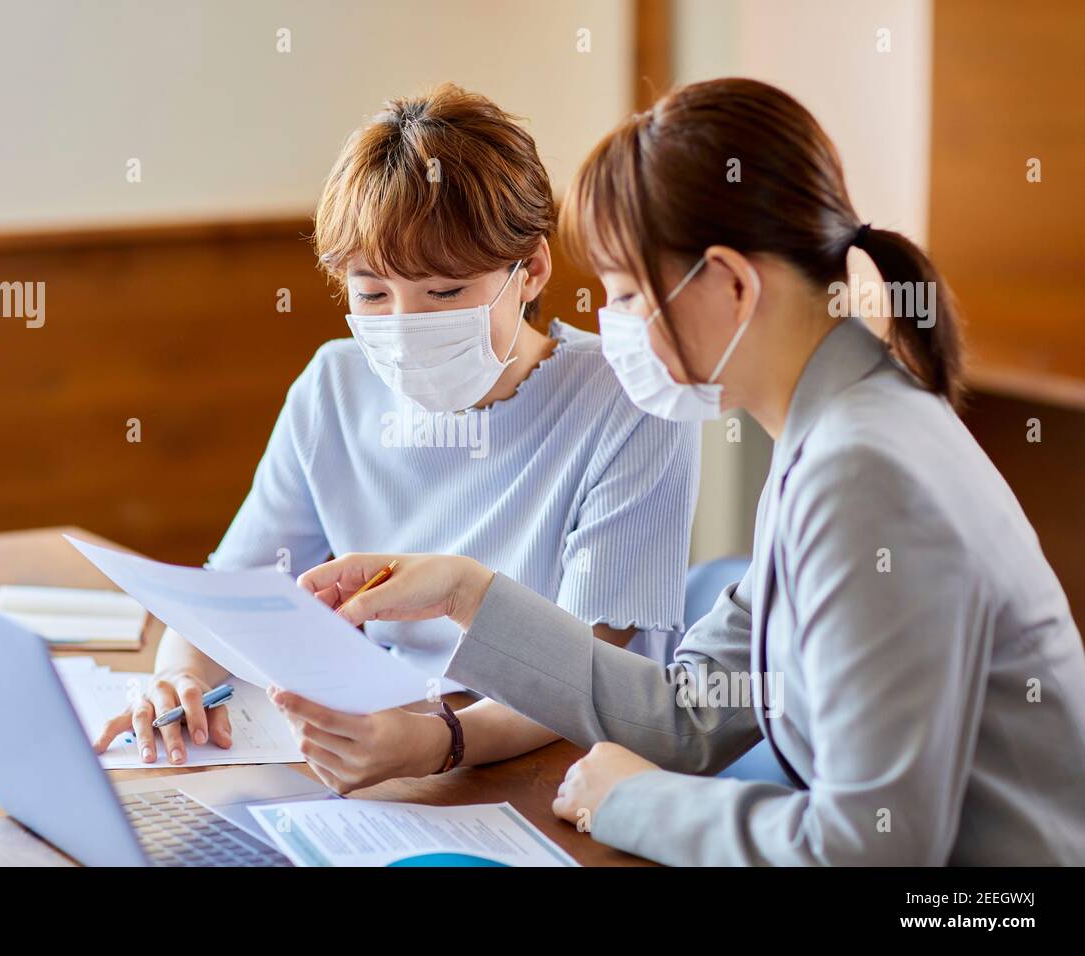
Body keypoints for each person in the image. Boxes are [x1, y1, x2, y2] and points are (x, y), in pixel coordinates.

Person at [292, 78, 1085, 864]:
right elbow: (690, 715)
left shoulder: (863, 473)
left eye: (631, 294)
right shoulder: (833, 434)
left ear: (732, 285)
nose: (615, 327)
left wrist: (634, 803)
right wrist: (466, 591)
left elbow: (869, 850)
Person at [95, 84, 699, 791]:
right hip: (395, 750)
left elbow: (591, 676)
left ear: (531, 269)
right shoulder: (335, 387)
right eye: (373, 294)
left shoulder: (632, 402)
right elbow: (229, 594)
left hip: (575, 769)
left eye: (445, 294)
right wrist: (179, 680)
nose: (406, 326)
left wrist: (437, 743)